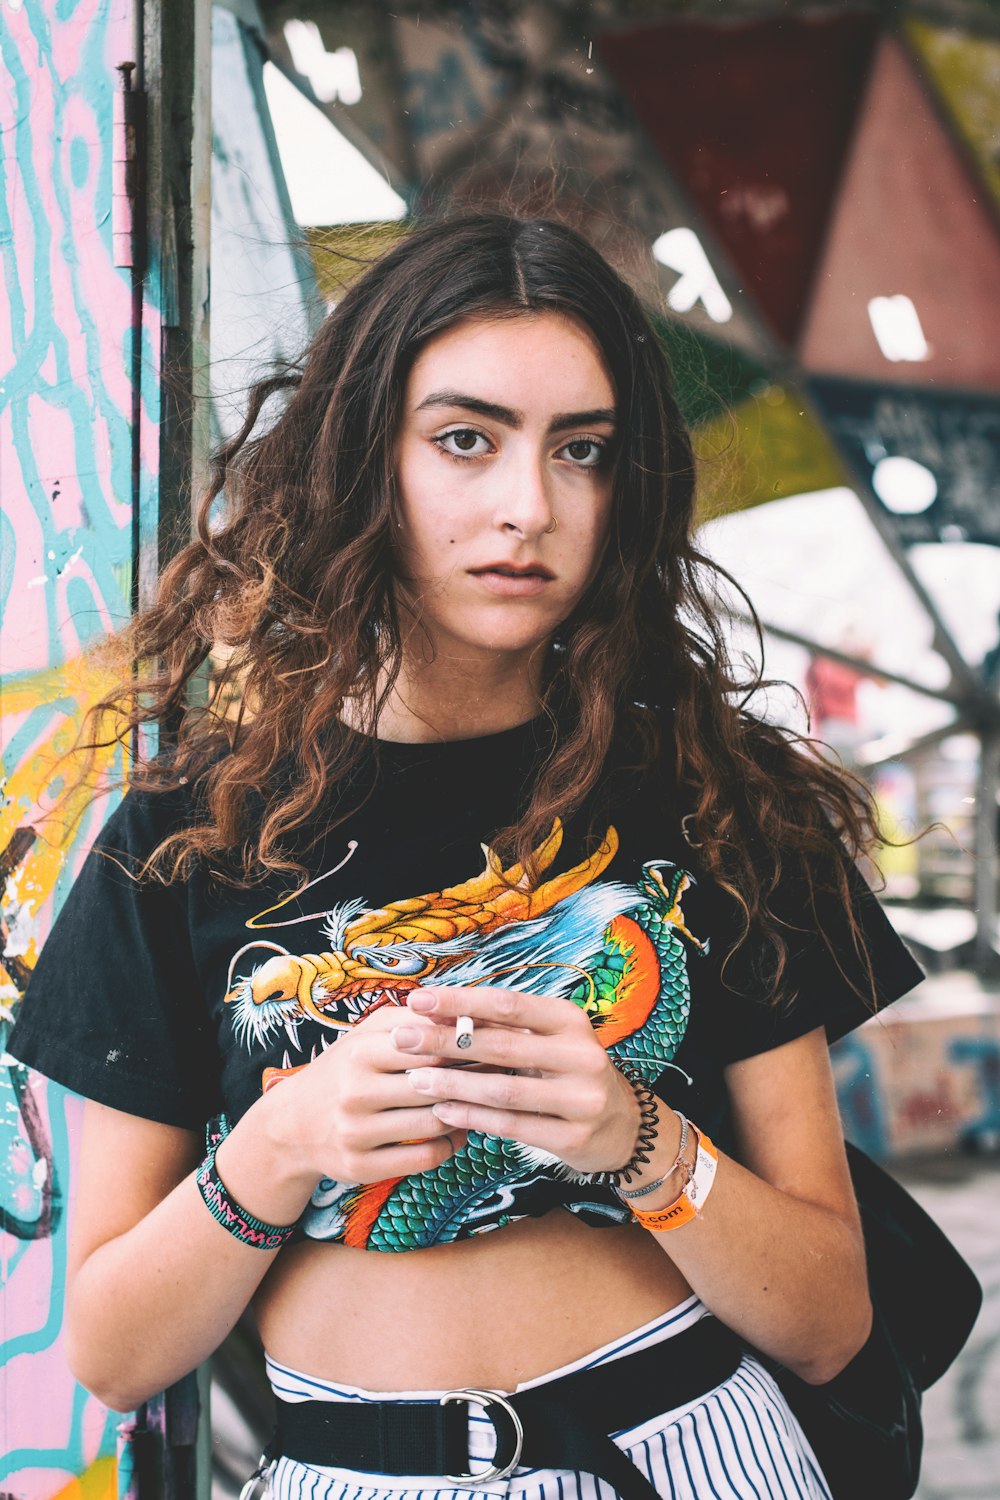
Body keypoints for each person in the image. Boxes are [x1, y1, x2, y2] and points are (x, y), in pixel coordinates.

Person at [9, 214, 923, 1500]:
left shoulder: (720, 804)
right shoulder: (185, 840)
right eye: (465, 440)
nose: (527, 508)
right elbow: (110, 1356)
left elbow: (829, 1320)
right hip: (345, 1473)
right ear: (359, 459)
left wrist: (636, 1136)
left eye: (583, 451)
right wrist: (278, 1149)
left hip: (684, 1451)